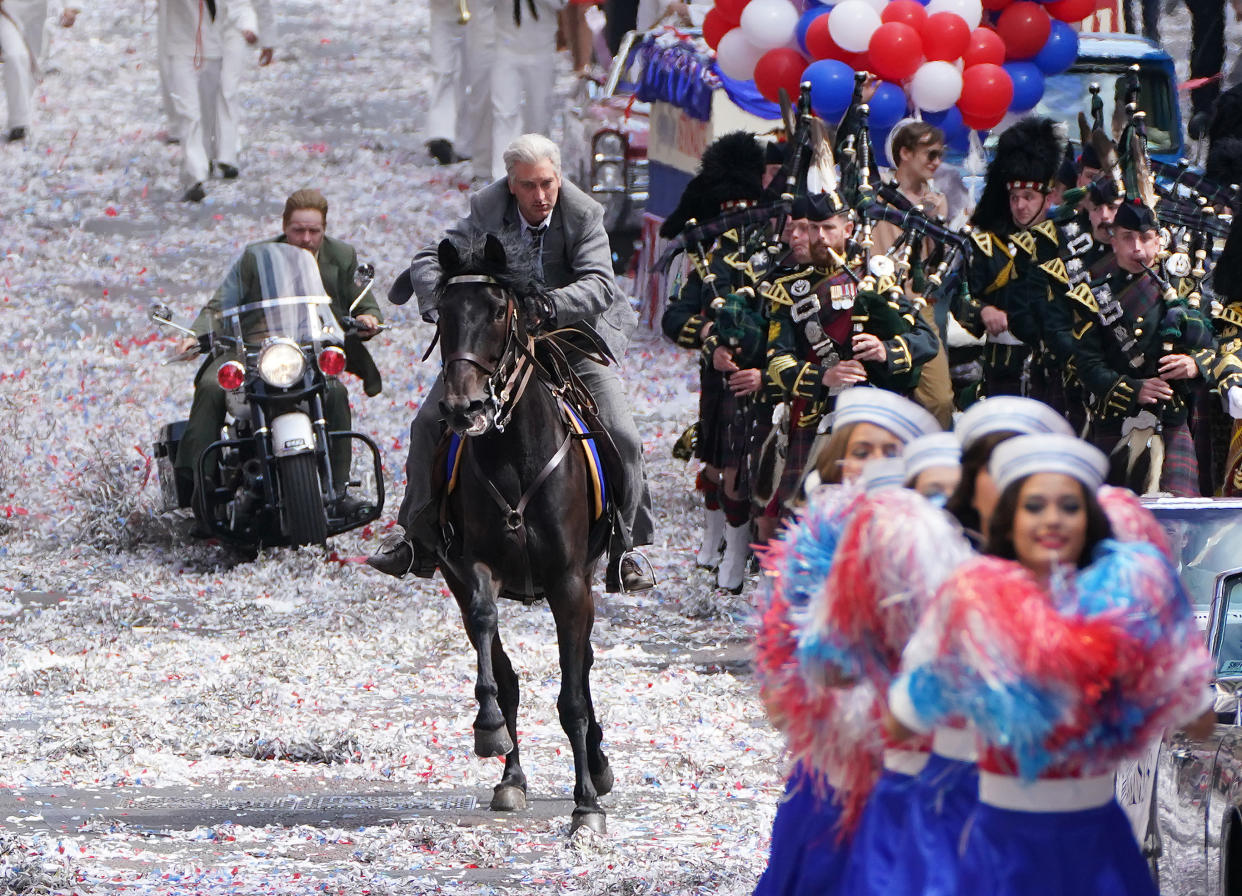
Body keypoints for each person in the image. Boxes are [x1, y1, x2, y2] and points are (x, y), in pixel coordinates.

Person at [891, 433, 1214, 896]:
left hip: (1095, 839)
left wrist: (1157, 658)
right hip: (998, 839)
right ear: (1010, 518)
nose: (1052, 519)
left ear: (1089, 519)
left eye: (1069, 506)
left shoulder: (1124, 606)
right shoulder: (970, 598)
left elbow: (1199, 720)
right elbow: (904, 720)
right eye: (1034, 505)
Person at [372, 133, 655, 593]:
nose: (540, 196)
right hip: (499, 346)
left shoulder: (584, 213)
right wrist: (437, 300)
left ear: (558, 179)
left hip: (569, 339)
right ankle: (416, 538)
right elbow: (428, 256)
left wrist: (548, 305)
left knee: (622, 432)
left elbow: (600, 285)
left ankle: (627, 548)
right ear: (510, 184)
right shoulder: (487, 207)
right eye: (528, 186)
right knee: (428, 423)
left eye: (547, 183)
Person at [174, 189, 382, 503]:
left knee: (335, 392)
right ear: (285, 227)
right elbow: (220, 303)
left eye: (315, 231)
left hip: (308, 347)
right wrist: (195, 334)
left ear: (324, 229)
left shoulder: (341, 256)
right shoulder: (255, 257)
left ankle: (338, 486)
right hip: (251, 344)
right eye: (299, 230)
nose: (307, 238)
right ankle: (200, 487)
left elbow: (362, 301)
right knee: (211, 386)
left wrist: (368, 317)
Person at [765, 191, 940, 498]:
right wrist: (824, 377)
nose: (820, 237)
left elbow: (925, 340)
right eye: (813, 228)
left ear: (847, 230)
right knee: (797, 512)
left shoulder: (878, 279)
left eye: (829, 228)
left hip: (876, 410)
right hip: (817, 413)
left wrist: (885, 350)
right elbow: (777, 360)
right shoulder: (787, 290)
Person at [660, 131, 771, 591]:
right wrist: (709, 338)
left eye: (746, 204)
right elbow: (674, 317)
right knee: (715, 462)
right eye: (731, 205)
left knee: (745, 469)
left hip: (761, 375)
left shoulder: (777, 254)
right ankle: (714, 544)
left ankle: (737, 555)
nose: (738, 216)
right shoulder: (703, 255)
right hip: (718, 374)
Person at [1066, 199, 1222, 496]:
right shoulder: (1093, 295)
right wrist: (1133, 388)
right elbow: (1087, 365)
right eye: (1127, 238)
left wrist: (1195, 365)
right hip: (1115, 420)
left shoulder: (1186, 291)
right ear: (1114, 242)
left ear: (1158, 240)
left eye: (1145, 238)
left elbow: (1214, 347)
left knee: (1178, 527)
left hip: (1171, 419)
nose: (1137, 248)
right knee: (1114, 521)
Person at [958, 117, 1064, 400]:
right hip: (1003, 366)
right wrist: (981, 311)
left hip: (1057, 369)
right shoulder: (986, 244)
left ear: (1049, 196)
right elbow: (962, 295)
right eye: (1014, 196)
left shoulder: (1065, 243)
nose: (1020, 205)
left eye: (1028, 196)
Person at [872, 120, 955, 427]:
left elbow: (938, 264)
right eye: (929, 154)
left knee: (939, 399)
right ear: (904, 153)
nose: (937, 162)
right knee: (883, 401)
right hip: (875, 305)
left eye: (940, 154)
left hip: (919, 307)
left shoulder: (937, 201)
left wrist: (936, 223)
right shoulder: (876, 194)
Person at [159, 0, 275, 201]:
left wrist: (259, 32)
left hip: (214, 49)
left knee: (209, 108)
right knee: (189, 113)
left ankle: (215, 157)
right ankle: (195, 175)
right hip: (180, 47)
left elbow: (248, 5)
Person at [0, 0, 78, 142]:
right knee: (16, 56)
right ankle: (19, 123)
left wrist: (71, 7)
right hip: (7, 11)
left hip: (40, 14)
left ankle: (21, 113)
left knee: (34, 66)